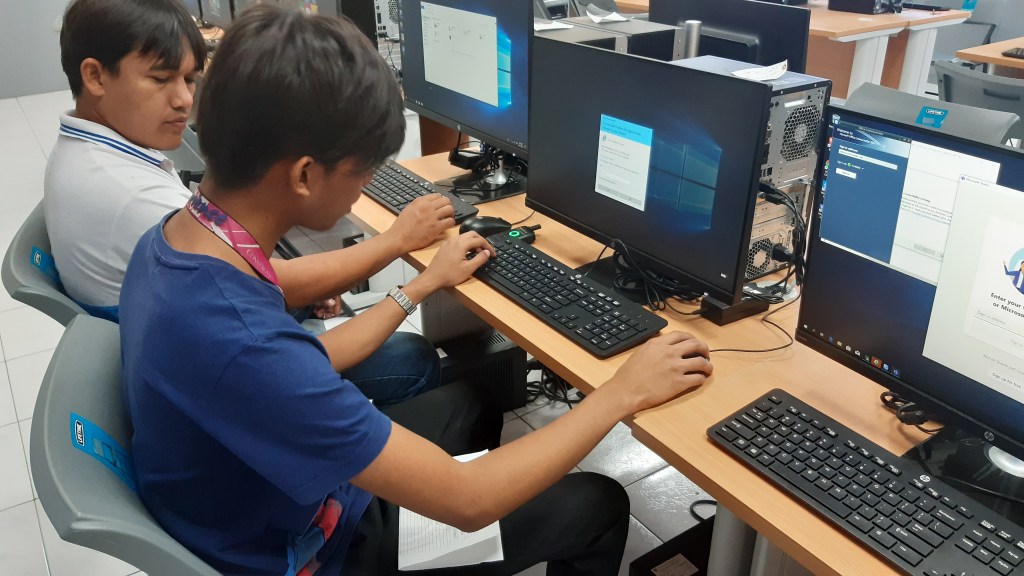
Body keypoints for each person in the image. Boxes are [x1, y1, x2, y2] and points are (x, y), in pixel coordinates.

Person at [118, 6, 714, 575]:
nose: (366, 185)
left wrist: (424, 283)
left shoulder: (175, 242)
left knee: (470, 401)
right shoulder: (244, 346)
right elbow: (469, 499)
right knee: (596, 504)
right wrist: (621, 392)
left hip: (272, 500)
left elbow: (299, 361)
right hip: (311, 551)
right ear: (303, 175)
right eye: (362, 170)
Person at [46, 0, 453, 406]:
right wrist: (404, 260)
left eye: (190, 80)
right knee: (416, 363)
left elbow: (256, 276)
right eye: (160, 78)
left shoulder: (107, 166)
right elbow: (274, 313)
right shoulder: (137, 200)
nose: (183, 100)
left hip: (197, 357)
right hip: (236, 369)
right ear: (95, 76)